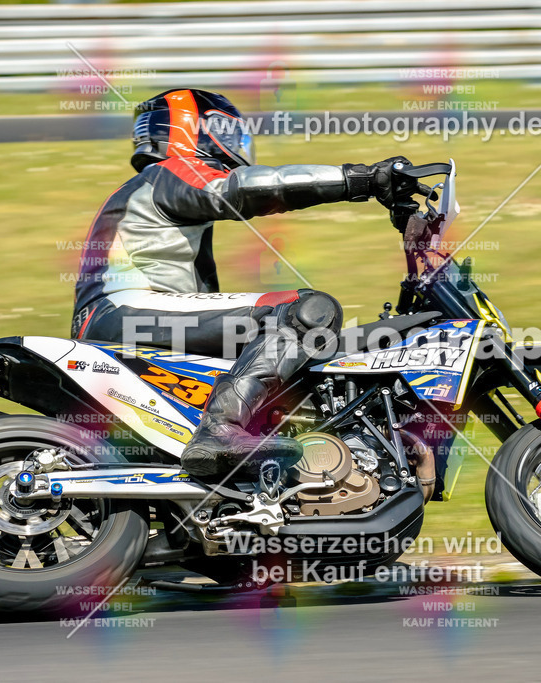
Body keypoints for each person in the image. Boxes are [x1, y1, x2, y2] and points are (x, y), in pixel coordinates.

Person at [70, 88, 430, 478]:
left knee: (274, 344)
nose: (236, 143)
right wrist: (360, 179)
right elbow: (247, 189)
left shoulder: (157, 194)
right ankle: (221, 429)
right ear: (197, 129)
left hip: (127, 313)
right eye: (227, 130)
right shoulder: (166, 174)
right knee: (307, 310)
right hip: (125, 310)